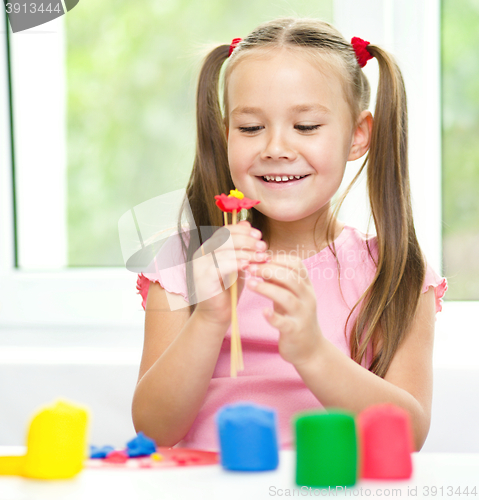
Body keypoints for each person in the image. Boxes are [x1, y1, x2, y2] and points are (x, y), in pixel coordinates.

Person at [132, 17, 447, 452]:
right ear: (226, 134)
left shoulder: (397, 276)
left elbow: (407, 436)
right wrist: (208, 319)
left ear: (358, 136)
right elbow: (153, 429)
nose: (276, 148)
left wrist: (313, 351)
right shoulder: (185, 265)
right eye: (250, 128)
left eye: (306, 126)